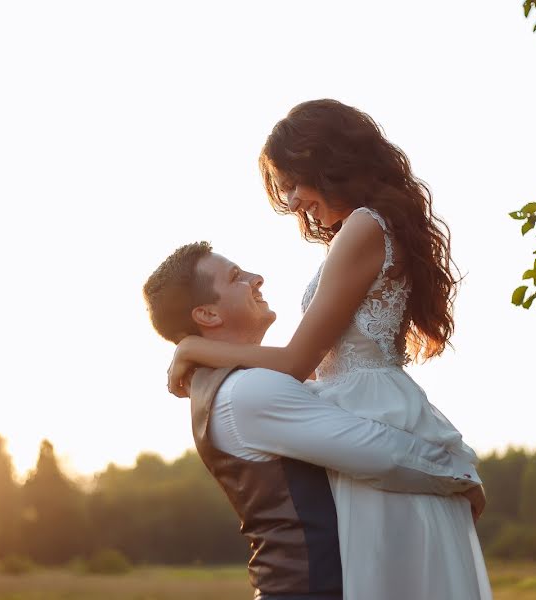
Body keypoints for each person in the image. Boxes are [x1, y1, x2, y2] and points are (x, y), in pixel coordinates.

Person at [167, 100, 492, 599]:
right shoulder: (370, 227)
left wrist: (193, 347)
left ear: (329, 161)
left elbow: (296, 362)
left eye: (294, 182)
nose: (294, 201)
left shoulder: (365, 226)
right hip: (368, 407)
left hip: (373, 414)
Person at [144, 241, 484, 600]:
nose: (256, 278)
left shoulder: (239, 388)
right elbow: (384, 454)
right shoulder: (248, 391)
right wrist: (460, 476)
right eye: (235, 277)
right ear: (208, 315)